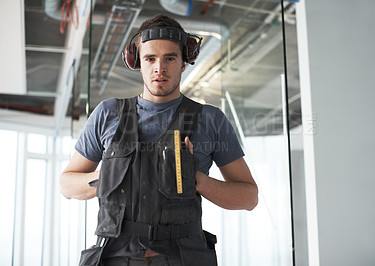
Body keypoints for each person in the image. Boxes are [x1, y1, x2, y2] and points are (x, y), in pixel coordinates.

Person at [60, 14, 258, 266]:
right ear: (137, 62)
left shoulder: (210, 119)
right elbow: (66, 184)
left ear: (184, 63)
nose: (159, 68)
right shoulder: (108, 113)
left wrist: (198, 181)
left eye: (170, 58)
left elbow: (249, 197)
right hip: (115, 258)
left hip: (183, 259)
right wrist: (106, 178)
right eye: (150, 58)